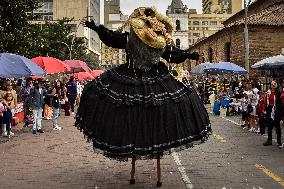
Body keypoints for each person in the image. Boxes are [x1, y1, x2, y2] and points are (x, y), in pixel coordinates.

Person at [76, 7, 211, 187]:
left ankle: (146, 156)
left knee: (143, 111)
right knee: (143, 111)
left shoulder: (150, 40)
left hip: (140, 79)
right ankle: (147, 159)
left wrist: (96, 28)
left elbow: (112, 38)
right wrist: (96, 28)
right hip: (139, 78)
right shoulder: (138, 38)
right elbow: (112, 38)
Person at [263, 80, 282, 147]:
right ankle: (269, 140)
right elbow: (265, 101)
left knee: (277, 126)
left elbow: (281, 103)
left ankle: (279, 141)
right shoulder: (268, 92)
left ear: (277, 85)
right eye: (272, 84)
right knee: (269, 126)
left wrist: (279, 112)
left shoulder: (279, 93)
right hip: (269, 109)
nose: (273, 85)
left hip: (276, 110)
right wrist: (264, 109)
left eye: (274, 84)